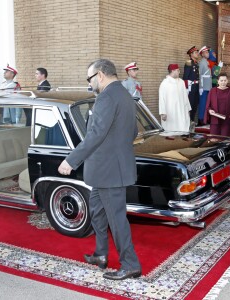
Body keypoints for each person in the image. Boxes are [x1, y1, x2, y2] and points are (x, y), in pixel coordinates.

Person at [58, 59, 141, 281]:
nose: (90, 83)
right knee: (96, 210)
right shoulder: (124, 94)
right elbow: (132, 132)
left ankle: (130, 264)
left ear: (101, 75)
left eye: (90, 78)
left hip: (109, 171)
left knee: (116, 219)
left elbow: (95, 134)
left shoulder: (106, 97)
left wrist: (71, 160)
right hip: (110, 169)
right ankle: (101, 254)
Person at [159, 64, 191, 132]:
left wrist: (188, 109)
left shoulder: (181, 82)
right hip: (170, 113)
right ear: (173, 71)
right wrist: (163, 112)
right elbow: (161, 99)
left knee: (183, 130)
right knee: (171, 132)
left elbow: (185, 97)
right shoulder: (165, 83)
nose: (179, 72)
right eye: (178, 70)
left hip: (182, 112)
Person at [183, 46, 199, 123]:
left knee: (195, 104)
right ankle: (188, 121)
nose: (197, 54)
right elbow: (185, 76)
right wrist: (186, 88)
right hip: (191, 87)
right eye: (195, 52)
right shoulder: (188, 62)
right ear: (191, 54)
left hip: (196, 86)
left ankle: (192, 120)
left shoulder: (196, 63)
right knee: (191, 104)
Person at [199, 46, 212, 125]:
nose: (208, 54)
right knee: (203, 103)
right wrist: (200, 87)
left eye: (208, 52)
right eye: (206, 52)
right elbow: (200, 75)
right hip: (204, 87)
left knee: (206, 103)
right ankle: (201, 119)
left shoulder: (207, 62)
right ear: (202, 54)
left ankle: (205, 119)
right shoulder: (202, 62)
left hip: (208, 86)